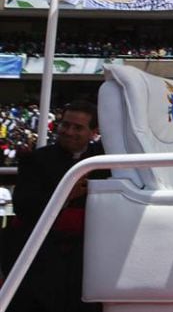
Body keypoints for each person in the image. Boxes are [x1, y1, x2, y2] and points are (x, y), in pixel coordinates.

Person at [3, 101, 109, 312]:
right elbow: (24, 206)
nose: (68, 132)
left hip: (86, 251)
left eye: (77, 127)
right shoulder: (36, 160)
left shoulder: (103, 160)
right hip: (40, 249)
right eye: (65, 125)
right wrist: (66, 195)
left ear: (93, 132)